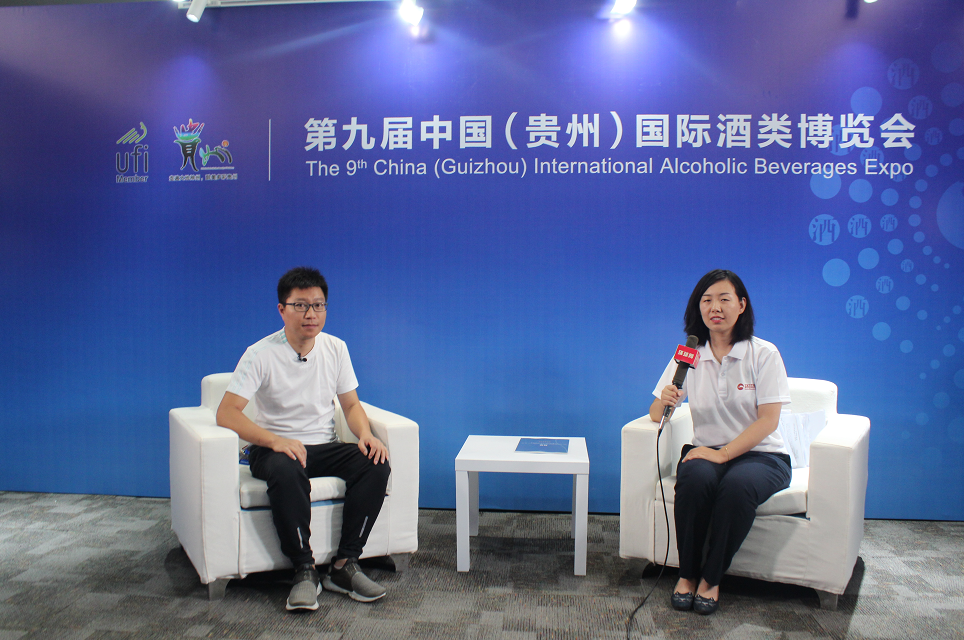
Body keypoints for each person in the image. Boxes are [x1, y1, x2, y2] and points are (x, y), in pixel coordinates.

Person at [216, 266, 391, 612]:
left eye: (318, 305)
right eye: (300, 305)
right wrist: (274, 440)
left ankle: (345, 565)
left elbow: (351, 404)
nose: (311, 313)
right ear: (282, 309)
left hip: (323, 446)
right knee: (287, 467)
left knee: (375, 463)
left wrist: (366, 435)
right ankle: (304, 570)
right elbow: (227, 413)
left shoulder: (335, 348)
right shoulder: (260, 353)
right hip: (272, 449)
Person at [649, 269, 791, 615]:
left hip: (763, 456)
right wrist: (665, 399)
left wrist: (724, 454)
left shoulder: (763, 354)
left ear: (741, 305)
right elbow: (655, 412)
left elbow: (768, 420)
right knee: (693, 480)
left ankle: (711, 580)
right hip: (707, 450)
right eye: (707, 300)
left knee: (737, 487)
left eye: (724, 299)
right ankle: (686, 575)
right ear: (697, 308)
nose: (715, 307)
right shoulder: (689, 354)